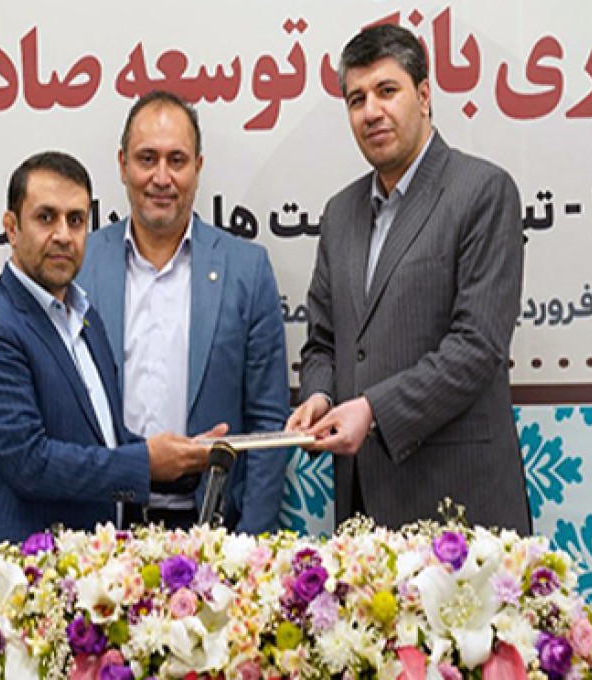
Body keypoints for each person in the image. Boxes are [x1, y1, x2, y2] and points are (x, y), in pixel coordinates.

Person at [286, 25, 531, 533]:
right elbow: (323, 343)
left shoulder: (483, 191)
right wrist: (320, 397)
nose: (371, 111)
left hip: (459, 507)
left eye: (386, 91)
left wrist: (373, 410)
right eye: (356, 99)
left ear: (423, 96)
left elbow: (478, 346)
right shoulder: (339, 213)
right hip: (364, 510)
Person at [0, 151, 222, 577]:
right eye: (46, 218)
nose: (63, 235)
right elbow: (31, 463)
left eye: (76, 220)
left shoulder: (84, 316)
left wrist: (184, 460)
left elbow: (102, 439)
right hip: (18, 582)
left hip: (84, 578)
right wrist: (146, 462)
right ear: (11, 228)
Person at [78, 91, 290, 533]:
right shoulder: (82, 266)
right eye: (147, 159)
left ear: (198, 166)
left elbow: (269, 422)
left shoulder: (247, 270)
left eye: (176, 160)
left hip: (215, 529)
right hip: (103, 528)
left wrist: (250, 542)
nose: (161, 177)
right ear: (122, 165)